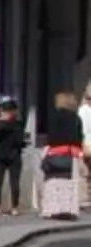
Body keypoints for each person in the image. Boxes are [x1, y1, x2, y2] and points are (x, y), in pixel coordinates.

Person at [40, 91, 84, 219]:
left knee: (53, 182)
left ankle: (52, 209)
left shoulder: (53, 117)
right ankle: (69, 210)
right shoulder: (76, 118)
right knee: (69, 184)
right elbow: (78, 137)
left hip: (54, 152)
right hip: (70, 154)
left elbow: (50, 135)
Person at [0, 95, 29, 215]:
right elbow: (19, 141)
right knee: (15, 182)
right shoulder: (18, 124)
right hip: (14, 155)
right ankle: (14, 208)